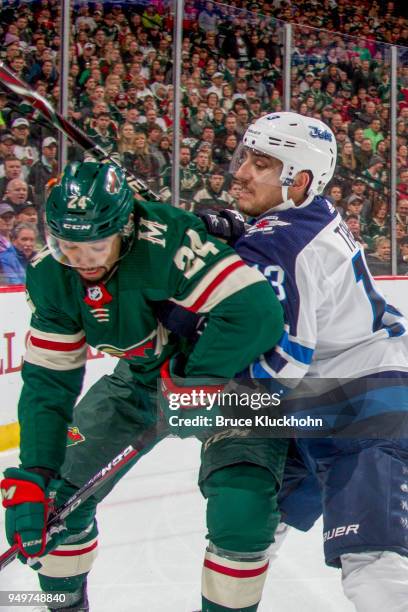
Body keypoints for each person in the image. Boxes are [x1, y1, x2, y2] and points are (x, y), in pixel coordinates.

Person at [1, 161, 286, 612]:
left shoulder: (165, 241)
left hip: (230, 382)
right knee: (58, 500)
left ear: (125, 229)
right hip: (137, 381)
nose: (82, 262)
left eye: (96, 246)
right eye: (68, 247)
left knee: (241, 510)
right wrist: (36, 470)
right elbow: (47, 385)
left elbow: (256, 312)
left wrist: (193, 382)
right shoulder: (52, 277)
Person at [197, 112, 408, 611]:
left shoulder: (277, 243)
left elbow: (280, 365)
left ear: (301, 180)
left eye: (263, 163)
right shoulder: (303, 216)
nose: (242, 171)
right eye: (244, 157)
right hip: (339, 393)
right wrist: (239, 234)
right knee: (256, 530)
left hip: (365, 401)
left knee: (373, 561)